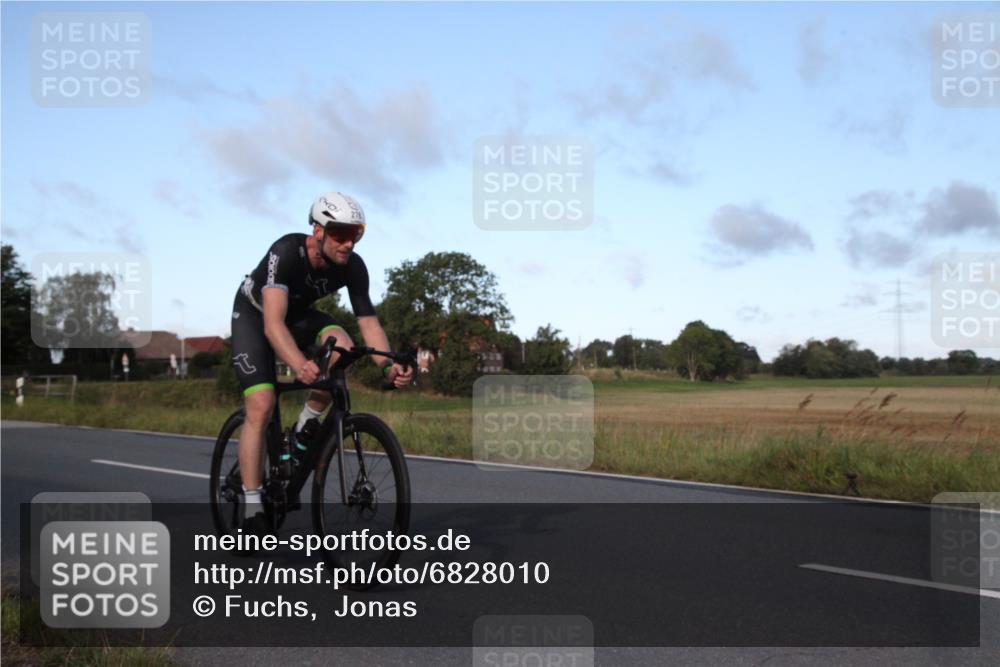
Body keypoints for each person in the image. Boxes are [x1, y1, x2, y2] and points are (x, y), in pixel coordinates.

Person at [230, 191, 413, 535]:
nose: (348, 243)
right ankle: (253, 505)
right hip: (255, 317)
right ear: (318, 231)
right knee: (262, 403)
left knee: (344, 348)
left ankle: (305, 425)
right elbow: (273, 324)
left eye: (355, 234)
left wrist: (388, 367)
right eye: (340, 234)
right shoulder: (286, 251)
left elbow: (369, 325)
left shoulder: (353, 266)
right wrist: (300, 363)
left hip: (299, 317)